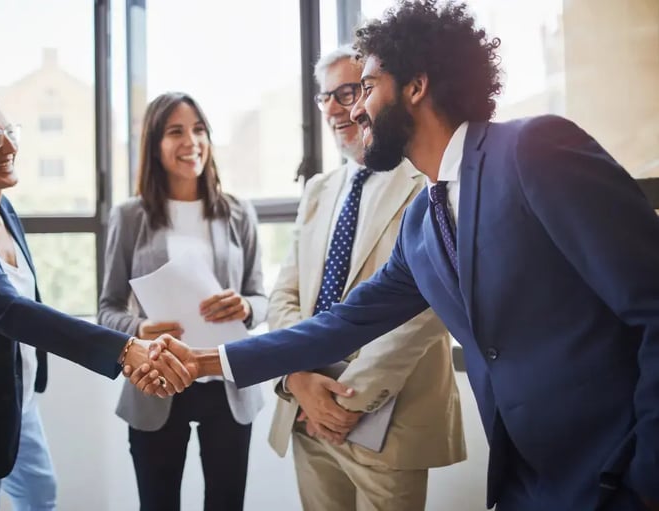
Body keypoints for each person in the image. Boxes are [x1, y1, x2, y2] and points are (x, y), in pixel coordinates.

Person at [132, 2, 659, 510]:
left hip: (618, 472)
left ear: (415, 86)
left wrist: (650, 476)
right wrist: (207, 361)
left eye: (365, 88)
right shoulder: (422, 223)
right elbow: (343, 323)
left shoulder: (533, 150)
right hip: (530, 482)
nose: (355, 109)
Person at [0, 92, 188, 509]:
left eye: (7, 132)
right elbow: (8, 310)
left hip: (16, 400)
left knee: (40, 498)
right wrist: (124, 348)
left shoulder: (4, 211)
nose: (8, 147)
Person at [266, 46, 465, 511]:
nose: (336, 109)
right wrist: (298, 379)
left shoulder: (425, 179)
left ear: (379, 94)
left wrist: (348, 403)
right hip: (306, 414)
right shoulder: (318, 189)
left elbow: (428, 308)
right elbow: (284, 296)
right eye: (325, 97)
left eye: (348, 92)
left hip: (389, 423)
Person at [98, 91, 267, 511]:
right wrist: (137, 329)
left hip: (226, 381)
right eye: (176, 132)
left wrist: (246, 308)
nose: (191, 141)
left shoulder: (239, 212)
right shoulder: (129, 216)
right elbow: (107, 308)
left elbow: (262, 297)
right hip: (156, 381)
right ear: (155, 145)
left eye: (199, 129)